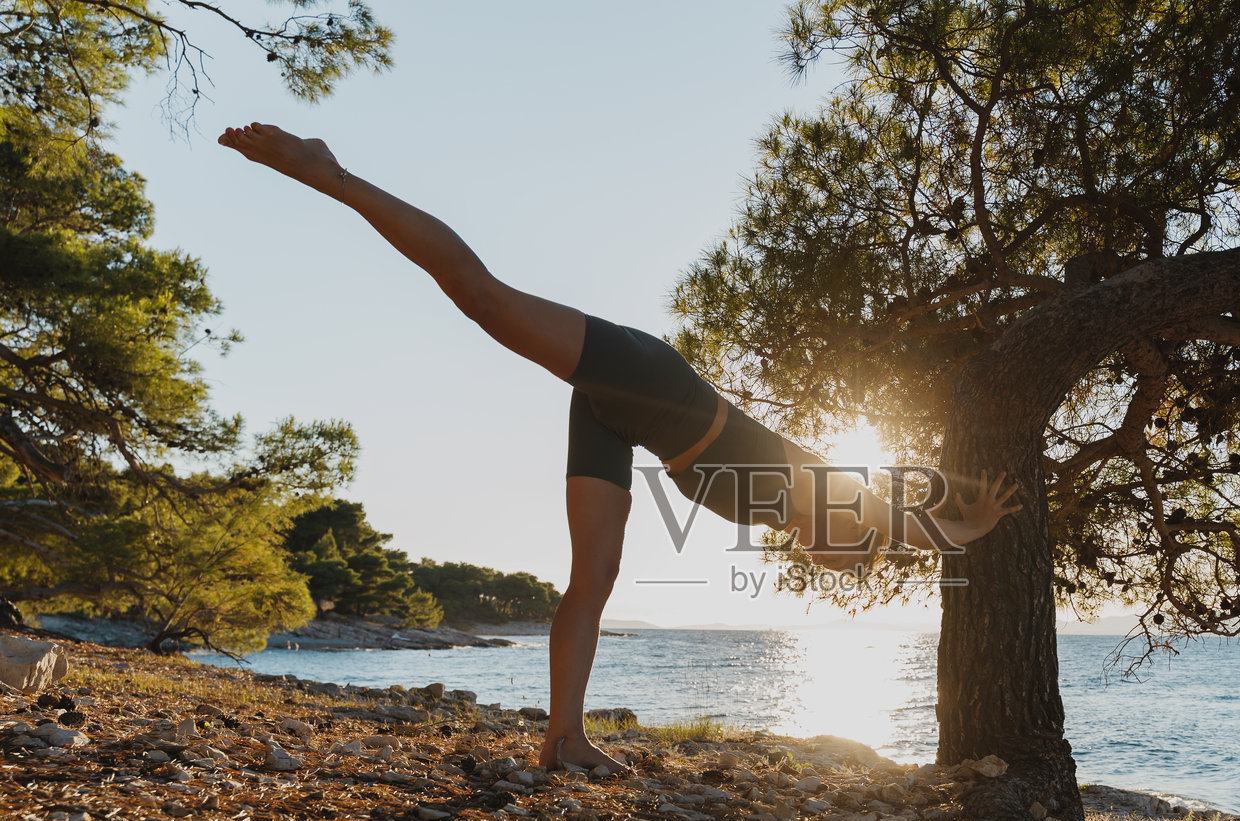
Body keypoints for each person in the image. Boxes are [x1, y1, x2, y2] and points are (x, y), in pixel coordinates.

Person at [217, 123, 1022, 774]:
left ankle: (562, 735)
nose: (827, 563)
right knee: (481, 296)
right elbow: (912, 525)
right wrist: (975, 527)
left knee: (591, 579)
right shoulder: (823, 486)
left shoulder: (789, 517)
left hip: (625, 424)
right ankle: (333, 173)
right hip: (653, 381)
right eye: (843, 557)